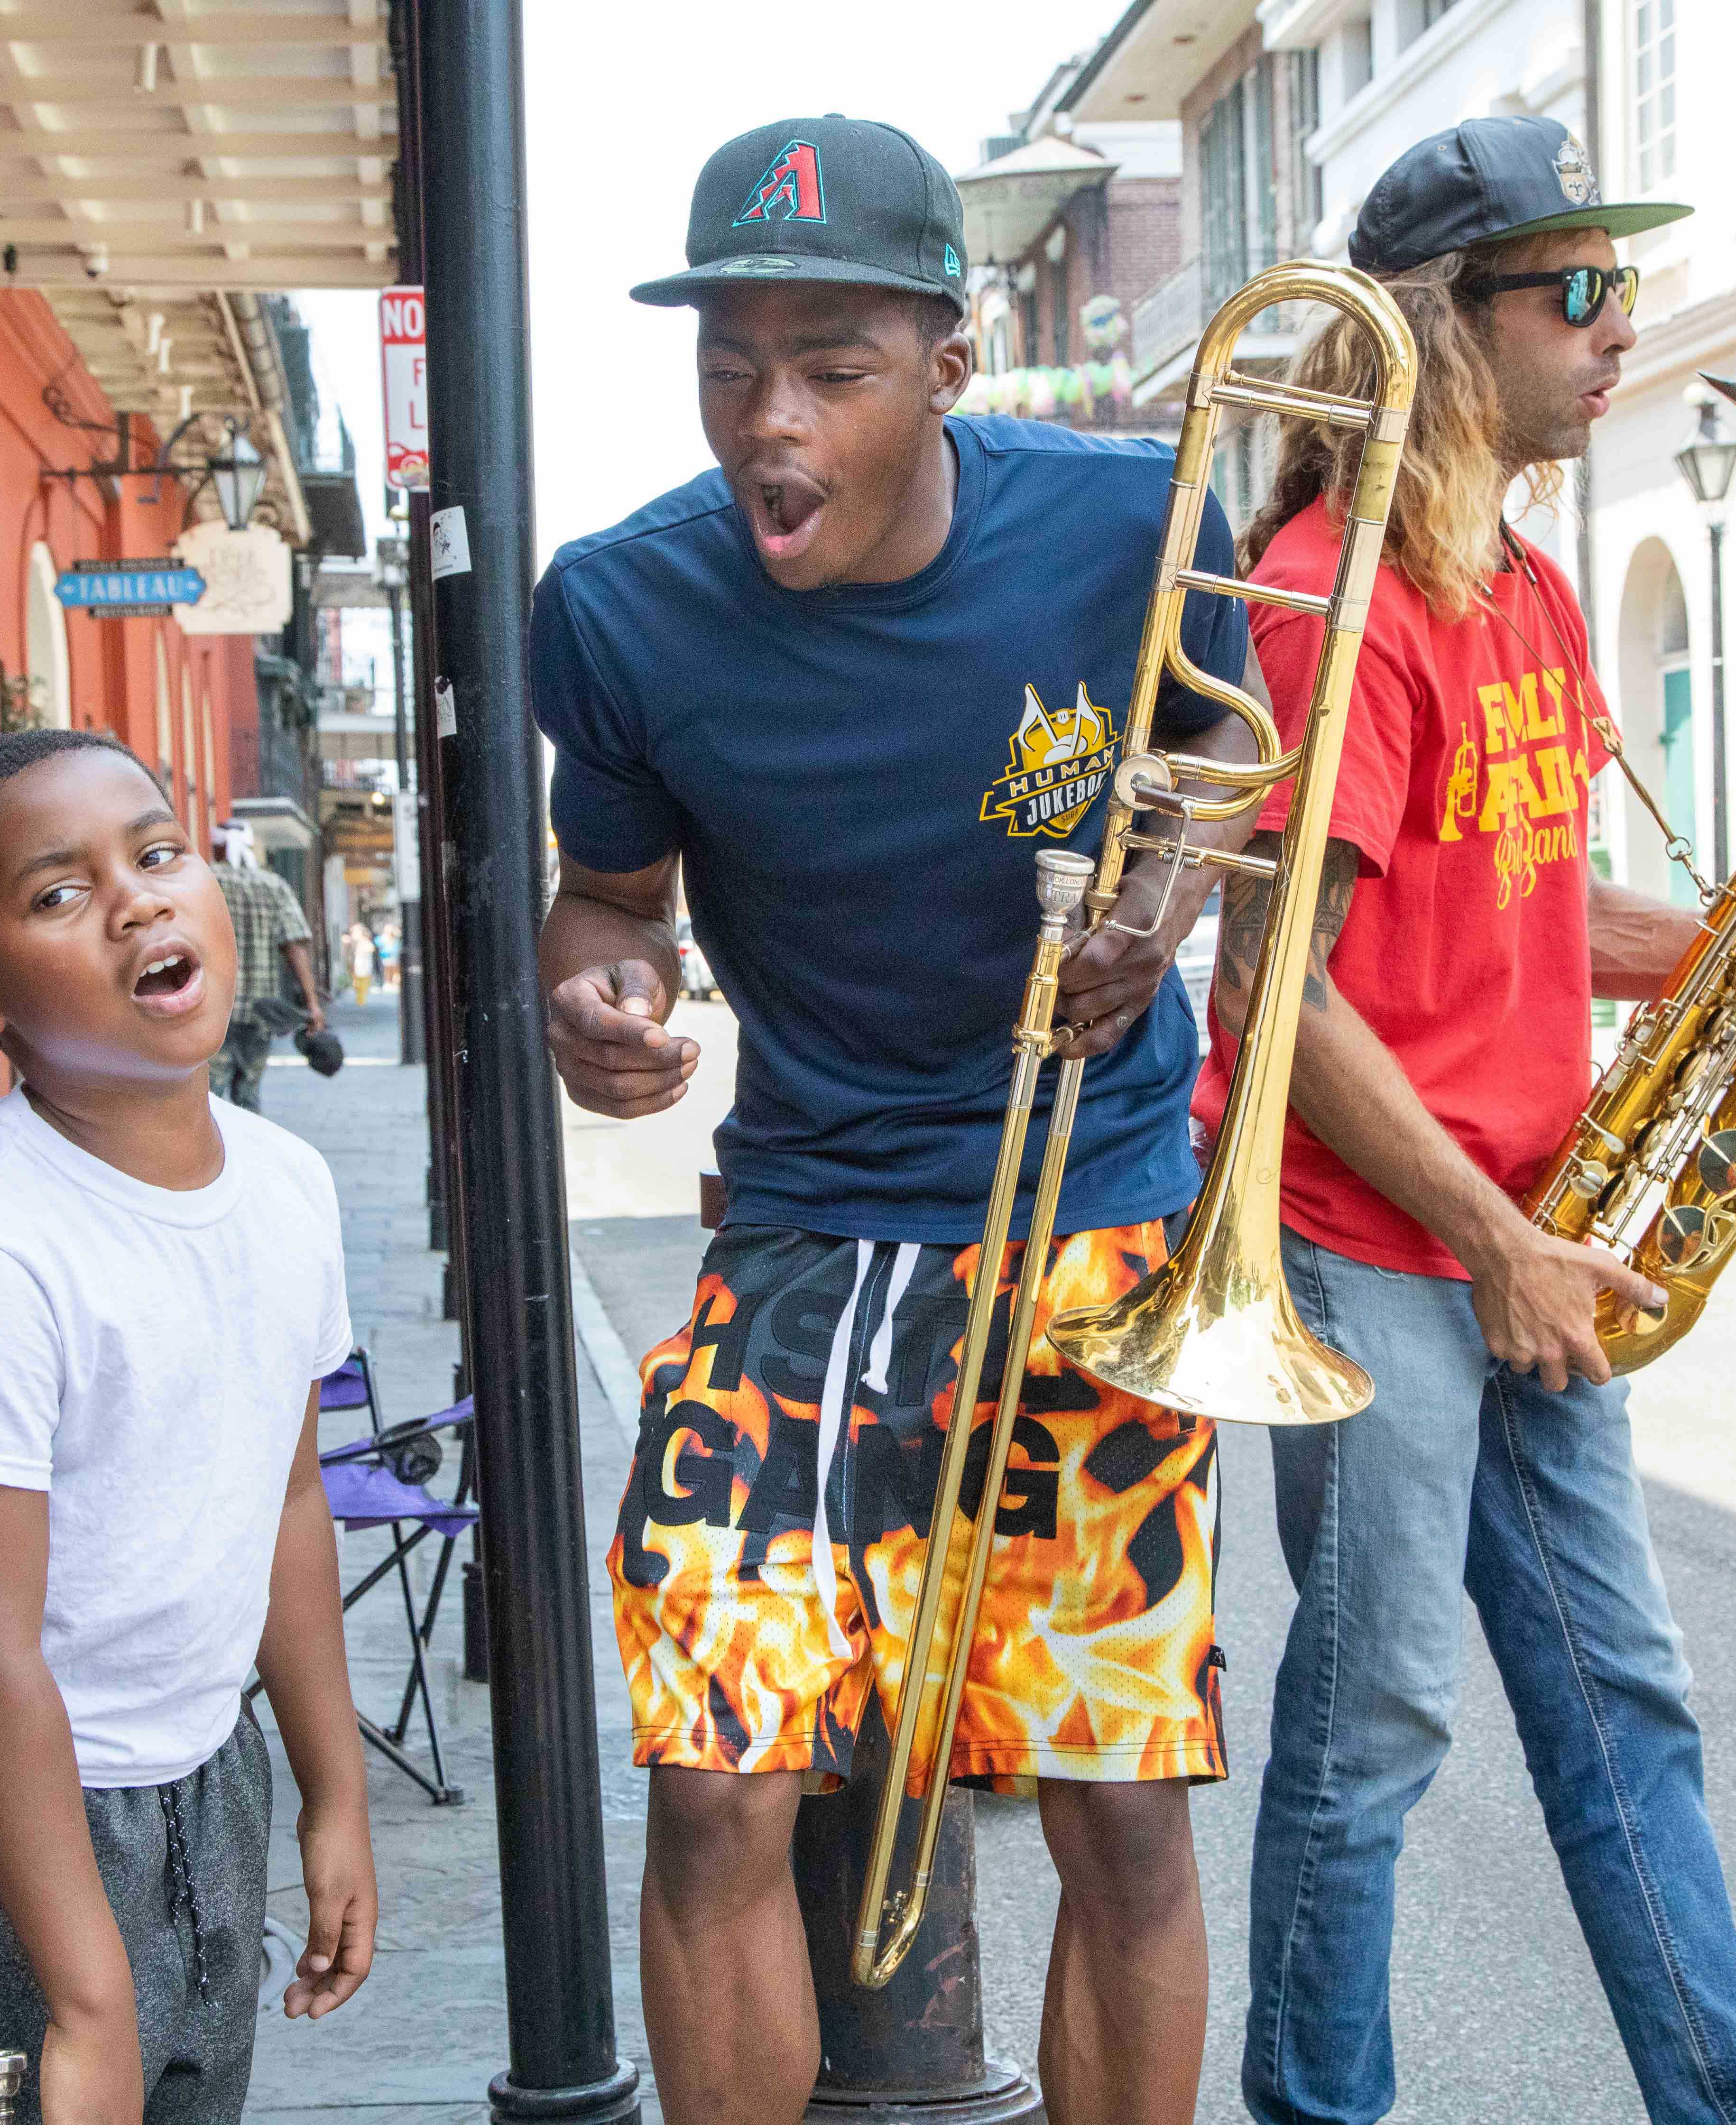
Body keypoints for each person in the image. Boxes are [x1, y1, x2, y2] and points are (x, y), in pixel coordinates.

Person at [1198, 117, 1736, 2125]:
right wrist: (1496, 1237)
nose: (1621, 328)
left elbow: (1531, 900)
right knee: (1369, 1733)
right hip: (1369, 1246)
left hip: (1524, 1231)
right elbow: (1275, 984)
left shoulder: (1516, 580)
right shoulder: (1319, 594)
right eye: (1576, 291)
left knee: (1621, 1703)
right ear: (1450, 324)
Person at [535, 117, 1261, 2125]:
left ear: (947, 360)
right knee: (712, 1784)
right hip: (808, 1233)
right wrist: (592, 988)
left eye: (829, 365)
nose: (766, 420)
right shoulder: (615, 610)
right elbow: (606, 892)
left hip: (1092, 1214)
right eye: (726, 363)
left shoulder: (1128, 523)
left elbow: (1222, 745)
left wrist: (1154, 900)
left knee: (1116, 1815)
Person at [0, 730, 376, 2125]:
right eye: (59, 891)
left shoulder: (287, 1185)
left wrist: (329, 1786)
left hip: (186, 1769)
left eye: (157, 852)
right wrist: (86, 1989)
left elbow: (284, 1498)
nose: (137, 900)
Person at [206, 819, 327, 1111]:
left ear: (218, 847)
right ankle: (249, 1155)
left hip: (213, 1010)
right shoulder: (274, 886)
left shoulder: (205, 882)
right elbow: (295, 946)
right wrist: (313, 1004)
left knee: (209, 1100)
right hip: (260, 1013)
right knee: (249, 1097)